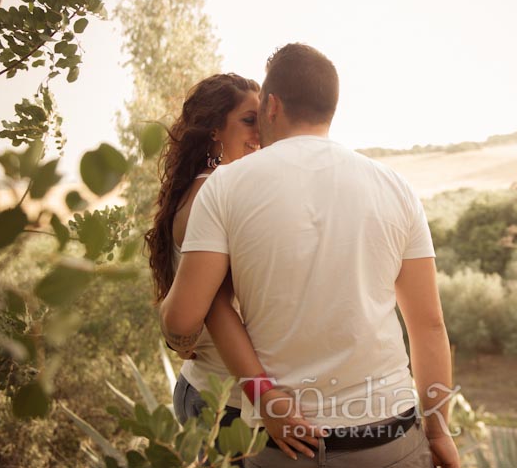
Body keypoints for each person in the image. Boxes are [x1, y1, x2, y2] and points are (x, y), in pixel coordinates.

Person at [160, 44, 461, 468]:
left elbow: (186, 318)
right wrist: (439, 430)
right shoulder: (397, 187)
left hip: (280, 444)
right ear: (330, 109)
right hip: (387, 435)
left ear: (272, 105)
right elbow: (429, 325)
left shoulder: (223, 187)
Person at [145, 72, 261, 443]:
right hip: (221, 403)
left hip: (208, 389)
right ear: (214, 129)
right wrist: (178, 337)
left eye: (263, 120)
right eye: (248, 121)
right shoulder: (214, 193)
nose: (260, 133)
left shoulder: (200, 185)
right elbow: (190, 312)